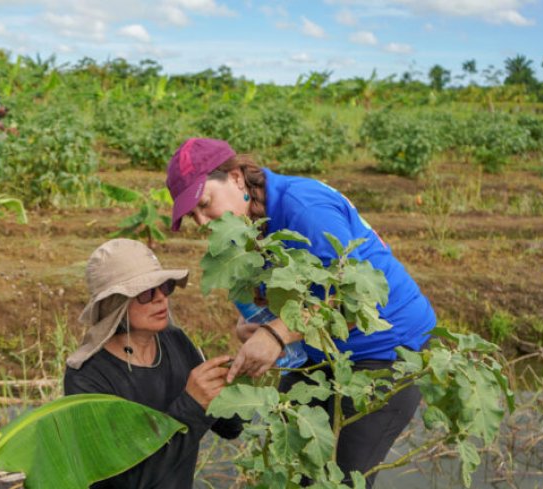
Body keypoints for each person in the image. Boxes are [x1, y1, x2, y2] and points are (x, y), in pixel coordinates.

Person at [165, 138, 437, 487]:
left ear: (235, 178)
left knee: (345, 478)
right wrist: (251, 324)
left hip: (387, 349)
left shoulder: (302, 207)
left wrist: (277, 334)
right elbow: (274, 301)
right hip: (320, 350)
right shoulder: (243, 227)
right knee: (296, 466)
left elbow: (357, 300)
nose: (202, 221)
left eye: (204, 204)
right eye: (192, 216)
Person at [64, 239, 242, 489]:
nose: (161, 299)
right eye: (146, 292)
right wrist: (192, 405)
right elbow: (129, 479)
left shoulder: (175, 342)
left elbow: (230, 427)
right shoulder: (87, 378)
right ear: (116, 302)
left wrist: (238, 380)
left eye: (165, 287)